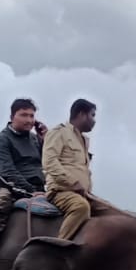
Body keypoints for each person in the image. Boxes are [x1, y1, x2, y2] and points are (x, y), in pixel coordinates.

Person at [0, 98, 48, 264]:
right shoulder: (2, 139)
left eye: (32, 116)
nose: (29, 120)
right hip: (13, 186)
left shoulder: (34, 139)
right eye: (24, 115)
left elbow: (48, 161)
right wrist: (30, 190)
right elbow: (7, 170)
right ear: (12, 116)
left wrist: (45, 138)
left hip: (41, 185)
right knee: (2, 201)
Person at [43, 99, 99, 242]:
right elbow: (49, 162)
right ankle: (56, 249)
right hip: (61, 192)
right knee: (81, 207)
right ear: (81, 114)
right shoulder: (59, 132)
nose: (94, 120)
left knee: (113, 214)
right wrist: (73, 183)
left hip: (84, 193)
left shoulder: (84, 140)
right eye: (92, 115)